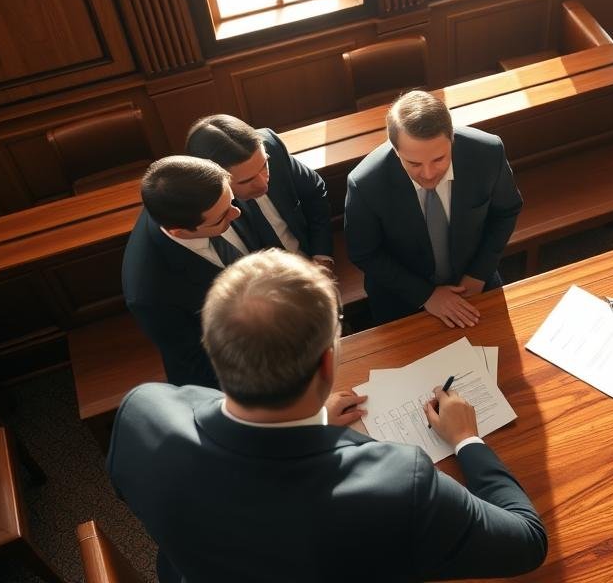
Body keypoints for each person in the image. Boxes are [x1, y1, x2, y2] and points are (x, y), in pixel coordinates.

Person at [108, 250, 547, 583]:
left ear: (212, 344)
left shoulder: (142, 411)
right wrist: (468, 439)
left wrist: (314, 423)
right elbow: (527, 542)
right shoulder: (399, 482)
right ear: (326, 363)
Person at [345, 91, 523, 326]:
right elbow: (364, 252)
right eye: (414, 163)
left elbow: (506, 210)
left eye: (439, 159)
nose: (428, 174)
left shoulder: (487, 153)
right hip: (402, 297)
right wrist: (426, 295)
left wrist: (478, 273)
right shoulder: (365, 183)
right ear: (395, 150)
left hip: (474, 278)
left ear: (453, 139)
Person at [121, 155, 248, 388]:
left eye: (231, 200)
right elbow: (199, 361)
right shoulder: (149, 293)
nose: (236, 213)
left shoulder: (195, 193)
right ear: (179, 232)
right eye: (222, 217)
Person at [185, 114, 333, 271]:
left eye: (264, 165)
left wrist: (322, 258)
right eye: (245, 181)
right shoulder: (207, 214)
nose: (264, 185)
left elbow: (314, 194)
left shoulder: (271, 145)